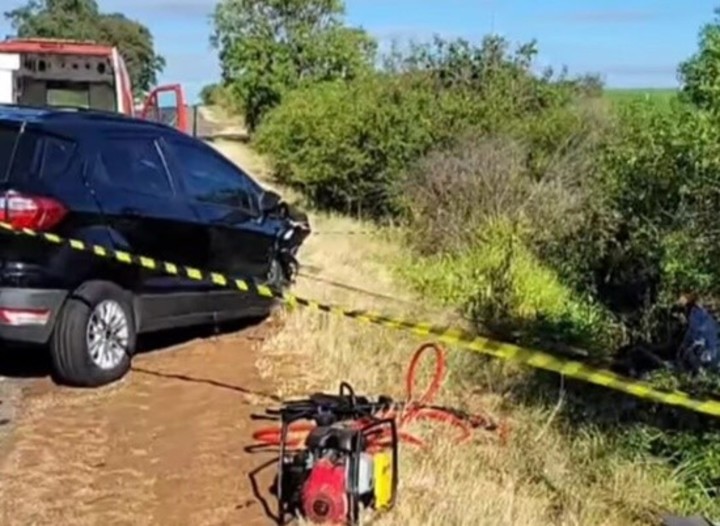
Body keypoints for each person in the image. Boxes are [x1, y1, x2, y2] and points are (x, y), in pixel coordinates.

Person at [673, 293, 720, 374]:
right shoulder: (704, 314)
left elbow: (698, 340)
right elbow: (689, 335)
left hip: (709, 356)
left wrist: (684, 351)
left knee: (688, 352)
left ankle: (701, 373)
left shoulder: (695, 317)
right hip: (716, 354)